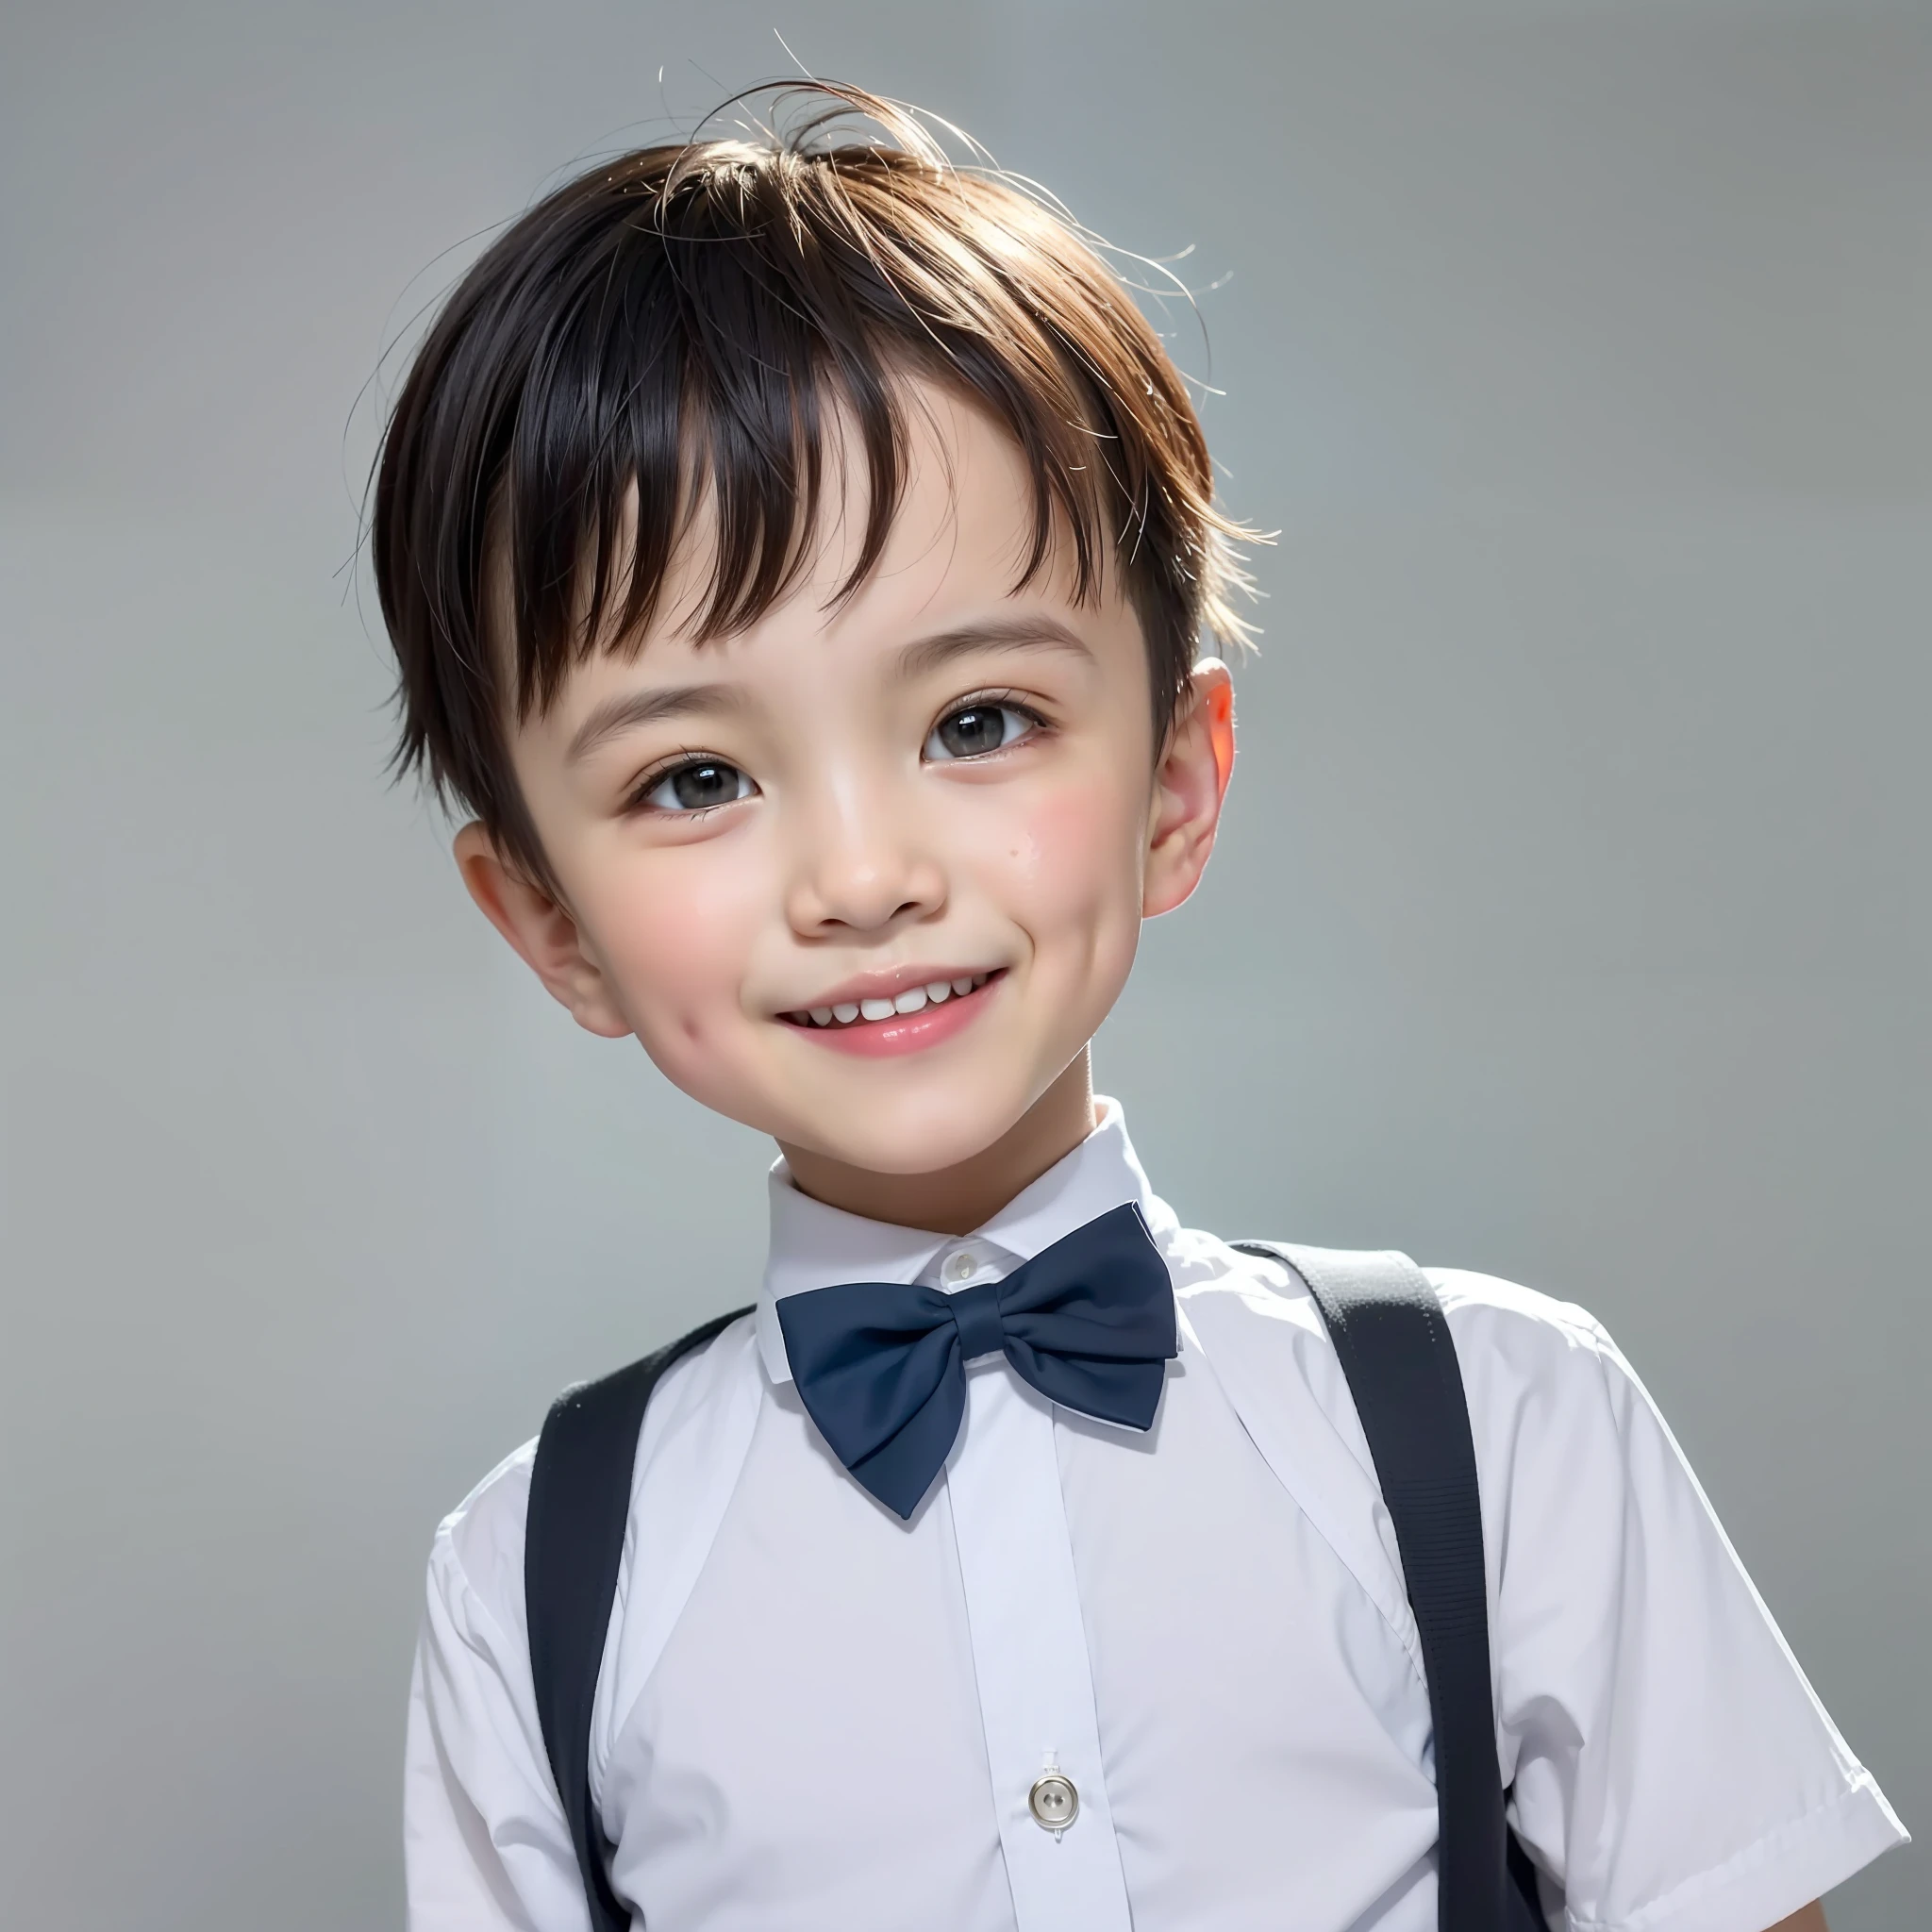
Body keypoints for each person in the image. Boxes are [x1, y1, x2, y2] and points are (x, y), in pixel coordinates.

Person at [374, 83, 1906, 1932]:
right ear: (547, 920)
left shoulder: (1507, 1422)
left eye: (975, 721)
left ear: (1176, 780)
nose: (860, 875)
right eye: (695, 776)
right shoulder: (530, 1581)